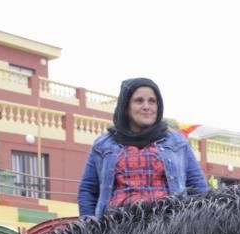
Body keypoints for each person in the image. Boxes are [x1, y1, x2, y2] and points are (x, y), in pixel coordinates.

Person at [77, 77, 208, 217]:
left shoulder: (177, 142)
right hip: (116, 231)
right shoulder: (103, 145)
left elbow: (198, 188)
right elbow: (88, 191)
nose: (146, 106)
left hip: (168, 229)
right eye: (139, 101)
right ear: (126, 107)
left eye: (152, 101)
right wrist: (90, 228)